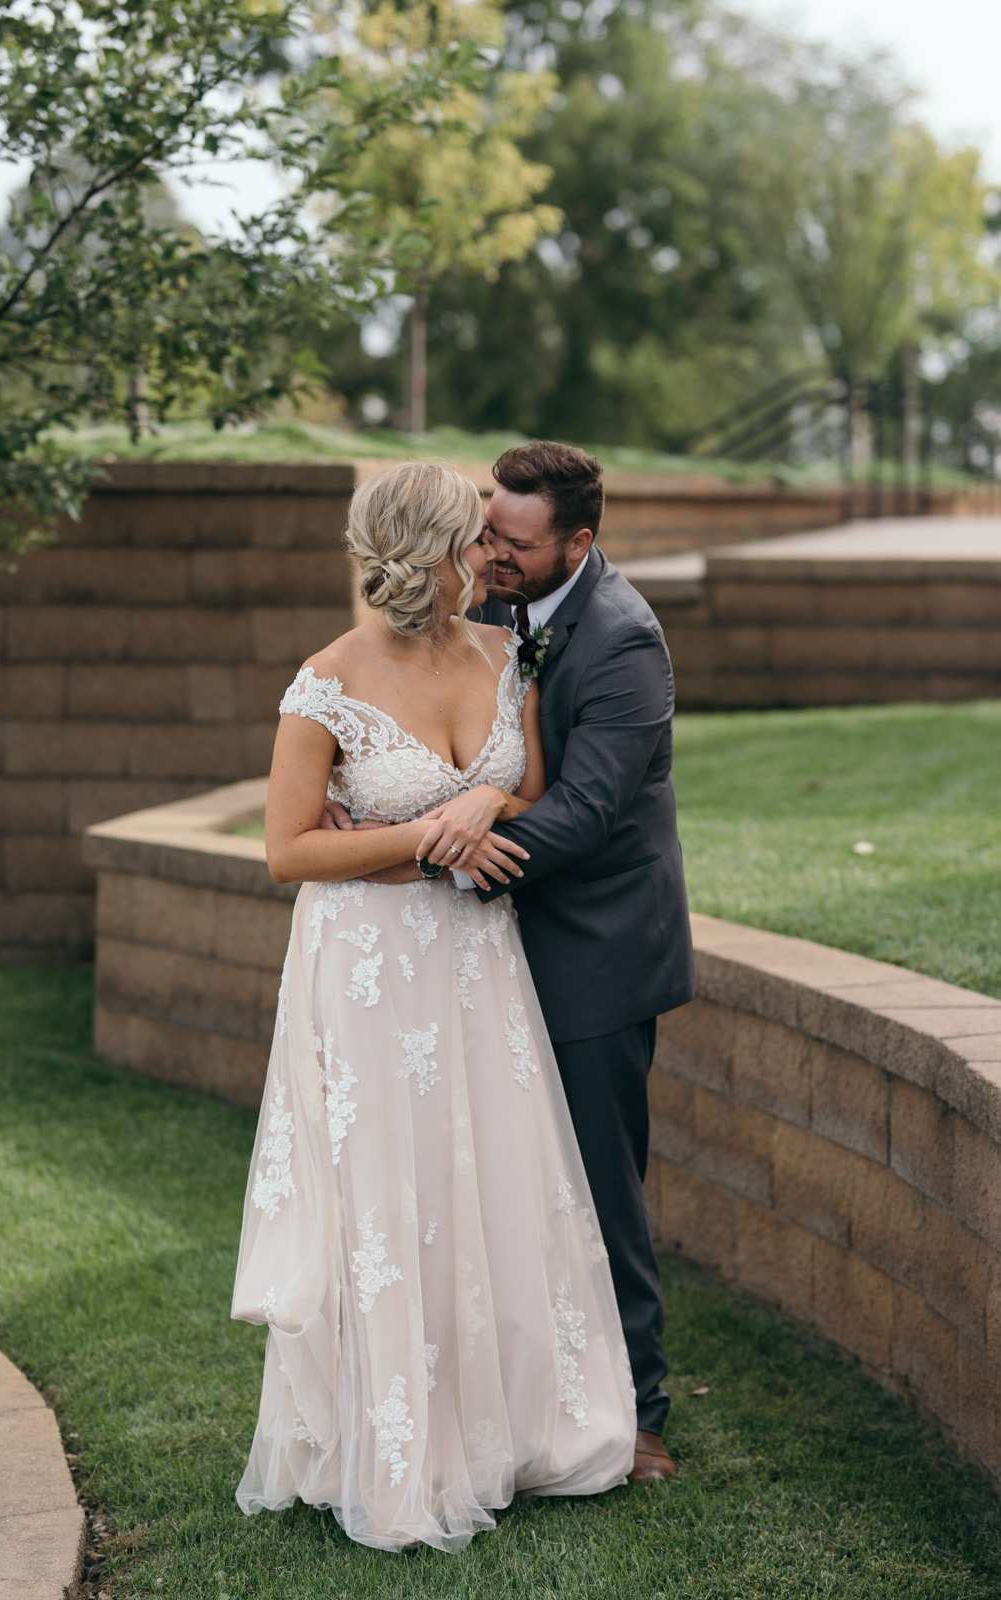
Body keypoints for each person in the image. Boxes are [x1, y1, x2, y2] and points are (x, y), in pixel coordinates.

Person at [232, 460, 636, 1553]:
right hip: (369, 968)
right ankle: (396, 1446)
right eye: (478, 543)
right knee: (390, 1194)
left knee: (491, 1179)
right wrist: (422, 833)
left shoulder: (510, 657)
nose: (495, 560)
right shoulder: (325, 681)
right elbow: (286, 850)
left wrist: (488, 795)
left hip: (476, 961)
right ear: (432, 552)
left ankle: (513, 1428)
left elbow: (538, 797)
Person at [336, 442, 697, 1484]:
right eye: (486, 529)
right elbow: (450, 736)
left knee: (595, 1186)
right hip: (485, 956)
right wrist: (366, 803)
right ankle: (519, 1400)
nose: (489, 552)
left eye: (514, 541)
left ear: (579, 543)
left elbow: (584, 809)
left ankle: (638, 1412)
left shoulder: (626, 639)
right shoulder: (487, 607)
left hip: (593, 951)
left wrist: (437, 859)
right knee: (503, 1182)